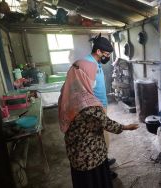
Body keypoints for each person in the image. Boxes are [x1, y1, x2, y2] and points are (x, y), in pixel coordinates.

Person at [58, 58, 139, 188]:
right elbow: (106, 123)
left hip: (75, 151)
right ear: (83, 76)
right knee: (95, 182)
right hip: (90, 156)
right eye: (92, 75)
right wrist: (125, 127)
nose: (94, 79)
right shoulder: (87, 103)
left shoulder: (67, 93)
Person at [84, 34, 116, 170]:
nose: (107, 57)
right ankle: (102, 168)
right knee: (99, 136)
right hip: (95, 106)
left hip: (101, 104)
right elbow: (85, 90)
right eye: (106, 54)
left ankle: (104, 161)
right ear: (98, 51)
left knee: (103, 134)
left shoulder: (95, 61)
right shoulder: (88, 64)